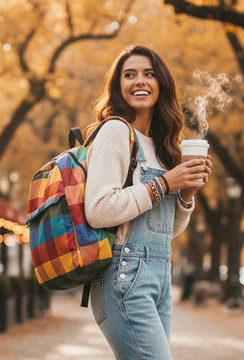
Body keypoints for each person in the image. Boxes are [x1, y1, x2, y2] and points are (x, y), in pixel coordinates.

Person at [84, 45, 211, 360]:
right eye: (130, 75)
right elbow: (99, 210)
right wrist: (167, 183)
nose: (139, 81)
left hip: (160, 280)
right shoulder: (115, 131)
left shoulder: (165, 147)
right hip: (123, 277)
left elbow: (165, 231)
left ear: (162, 85)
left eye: (149, 74)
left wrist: (186, 194)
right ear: (118, 87)